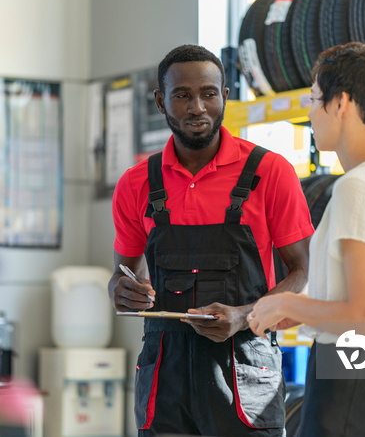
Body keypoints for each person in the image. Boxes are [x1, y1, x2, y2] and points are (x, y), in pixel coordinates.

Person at [107, 44, 314, 436]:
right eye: (182, 95)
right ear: (160, 101)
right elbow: (121, 274)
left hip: (246, 374)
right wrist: (121, 290)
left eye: (209, 93)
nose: (197, 107)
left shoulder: (271, 173)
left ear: (225, 96)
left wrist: (244, 315)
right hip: (163, 381)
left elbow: (302, 271)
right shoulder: (135, 184)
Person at [248, 42, 365, 437]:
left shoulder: (356, 188)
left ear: (342, 103)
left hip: (348, 387)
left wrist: (286, 300)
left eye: (315, 99)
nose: (310, 113)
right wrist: (306, 311)